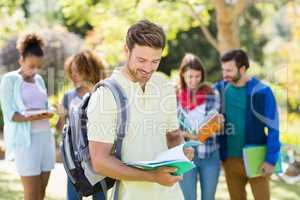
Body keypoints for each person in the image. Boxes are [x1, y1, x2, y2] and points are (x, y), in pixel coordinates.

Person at [87, 19, 194, 200]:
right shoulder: (106, 94)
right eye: (141, 60)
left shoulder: (164, 86)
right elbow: (100, 161)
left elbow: (173, 136)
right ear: (126, 50)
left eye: (155, 61)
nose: (148, 68)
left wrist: (182, 151)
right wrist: (153, 177)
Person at [214, 49, 281, 200]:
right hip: (230, 160)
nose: (225, 75)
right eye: (223, 70)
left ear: (242, 68)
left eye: (229, 70)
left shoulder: (262, 92)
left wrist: (270, 160)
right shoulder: (220, 89)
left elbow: (273, 127)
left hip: (257, 158)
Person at [0, 33, 55, 200]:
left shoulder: (38, 80)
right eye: (31, 65)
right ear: (21, 60)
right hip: (27, 142)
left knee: (41, 194)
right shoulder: (9, 80)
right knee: (31, 196)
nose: (35, 70)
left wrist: (50, 110)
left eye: (38, 66)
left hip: (46, 139)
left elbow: (44, 107)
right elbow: (10, 114)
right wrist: (32, 117)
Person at [55, 50, 106, 200]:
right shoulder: (68, 96)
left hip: (97, 157)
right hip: (75, 161)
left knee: (100, 196)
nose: (74, 75)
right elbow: (61, 129)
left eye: (78, 71)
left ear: (89, 69)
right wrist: (62, 115)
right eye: (72, 71)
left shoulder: (101, 94)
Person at [176, 53, 222, 200]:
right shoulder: (174, 95)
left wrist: (193, 135)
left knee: (209, 197)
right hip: (185, 155)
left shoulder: (212, 94)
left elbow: (215, 126)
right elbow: (171, 128)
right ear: (182, 74)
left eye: (198, 76)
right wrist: (193, 135)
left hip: (209, 155)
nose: (194, 81)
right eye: (190, 76)